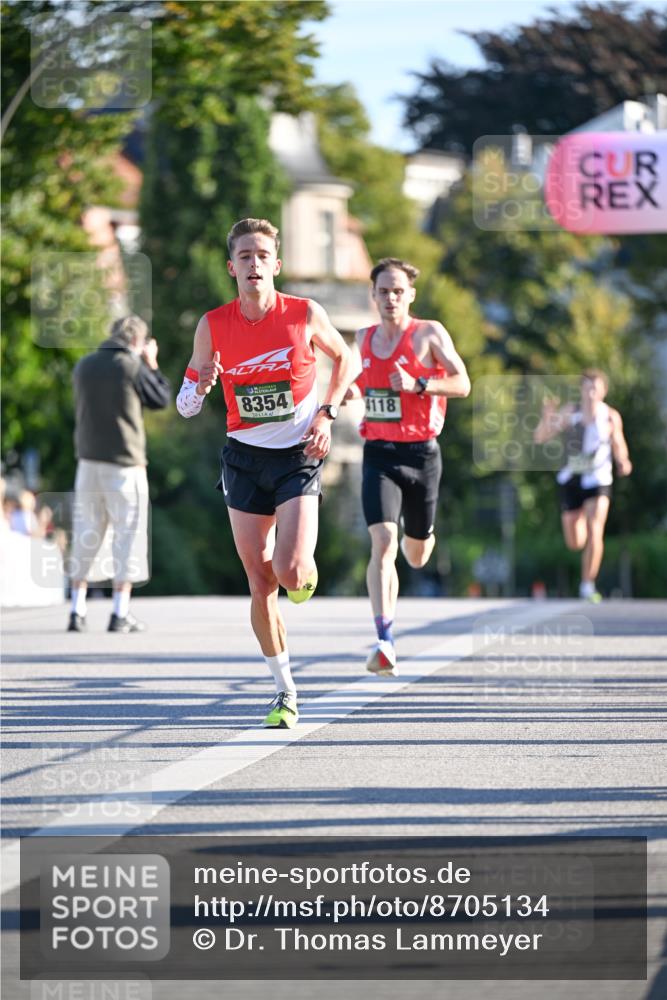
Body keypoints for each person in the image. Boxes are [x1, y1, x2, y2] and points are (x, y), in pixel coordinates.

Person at [177, 218, 355, 729]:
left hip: (298, 455)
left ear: (275, 265)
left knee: (291, 572)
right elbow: (185, 405)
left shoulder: (304, 314)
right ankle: (285, 690)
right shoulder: (212, 324)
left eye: (262, 255)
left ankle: (303, 569)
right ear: (231, 267)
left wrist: (327, 412)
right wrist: (201, 385)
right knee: (260, 582)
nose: (254, 264)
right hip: (243, 459)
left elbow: (345, 360)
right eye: (244, 256)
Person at [344, 257, 471, 677]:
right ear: (374, 295)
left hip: (422, 455)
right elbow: (351, 386)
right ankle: (384, 640)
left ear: (410, 295)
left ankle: (420, 535)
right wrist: (339, 397)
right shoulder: (362, 340)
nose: (391, 298)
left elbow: (463, 384)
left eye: (398, 291)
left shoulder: (429, 334)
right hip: (379, 454)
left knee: (415, 555)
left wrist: (420, 383)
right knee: (381, 544)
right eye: (383, 291)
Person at [68, 315, 171, 632]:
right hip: (125, 465)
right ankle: (119, 612)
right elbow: (161, 398)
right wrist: (151, 363)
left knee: (86, 533)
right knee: (128, 535)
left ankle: (77, 609)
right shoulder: (131, 366)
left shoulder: (84, 365)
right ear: (137, 341)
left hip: (87, 461)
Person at [534, 369, 632, 602]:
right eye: (586, 387)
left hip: (599, 478)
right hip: (572, 478)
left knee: (594, 529)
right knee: (575, 541)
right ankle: (585, 571)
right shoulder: (571, 412)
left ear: (603, 391)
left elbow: (619, 443)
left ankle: (587, 584)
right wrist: (547, 417)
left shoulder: (610, 416)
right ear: (580, 390)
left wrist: (623, 460)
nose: (590, 393)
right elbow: (541, 437)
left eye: (594, 388)